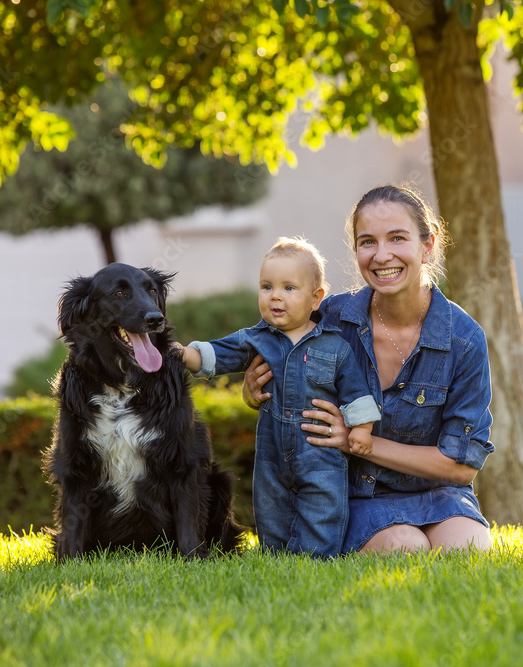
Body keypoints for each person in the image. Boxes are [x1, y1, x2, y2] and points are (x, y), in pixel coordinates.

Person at [242, 185, 494, 554]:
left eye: (397, 238)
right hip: (350, 495)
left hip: (436, 493)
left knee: (470, 549)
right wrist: (253, 391)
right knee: (405, 546)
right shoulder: (326, 319)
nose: (381, 255)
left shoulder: (465, 339)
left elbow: (460, 468)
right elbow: (273, 376)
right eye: (367, 242)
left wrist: (361, 442)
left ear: (427, 246)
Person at [178, 236, 381, 558]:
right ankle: (278, 560)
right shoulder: (256, 339)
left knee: (322, 511)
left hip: (320, 458)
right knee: (272, 509)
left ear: (316, 299)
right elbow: (220, 353)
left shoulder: (335, 347)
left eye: (289, 288)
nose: (276, 296)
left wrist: (362, 429)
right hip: (271, 456)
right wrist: (185, 354)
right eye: (266, 287)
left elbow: (355, 392)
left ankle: (316, 562)